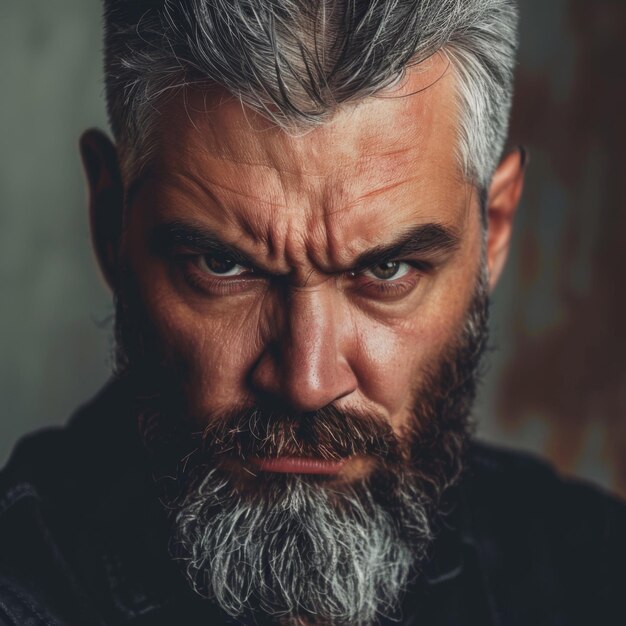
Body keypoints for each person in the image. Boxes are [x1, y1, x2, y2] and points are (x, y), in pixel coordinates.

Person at [0, 1, 624, 625]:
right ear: (113, 226)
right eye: (224, 268)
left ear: (493, 233)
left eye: (385, 271)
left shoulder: (593, 576)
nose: (307, 382)